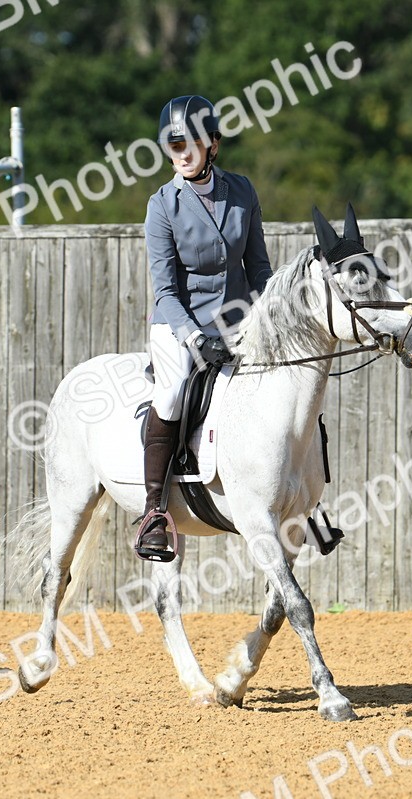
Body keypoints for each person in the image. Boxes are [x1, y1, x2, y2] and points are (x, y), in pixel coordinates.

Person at [134, 94, 272, 562]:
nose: (183, 153)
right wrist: (196, 338)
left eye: (192, 143)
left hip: (237, 321)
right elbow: (165, 290)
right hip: (179, 324)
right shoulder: (162, 205)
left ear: (213, 144)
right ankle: (154, 512)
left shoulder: (243, 191)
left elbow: (259, 269)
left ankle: (299, 491)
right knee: (173, 393)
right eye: (175, 145)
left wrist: (268, 315)